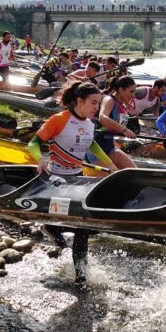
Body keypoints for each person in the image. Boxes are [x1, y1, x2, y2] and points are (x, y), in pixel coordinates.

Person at [27, 82, 115, 283]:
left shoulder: (90, 124)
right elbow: (33, 143)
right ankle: (51, 228)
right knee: (76, 224)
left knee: (82, 228)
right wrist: (40, 159)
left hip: (77, 179)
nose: (96, 108)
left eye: (99, 103)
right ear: (79, 101)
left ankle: (81, 276)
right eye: (93, 103)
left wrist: (110, 165)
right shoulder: (59, 119)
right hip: (55, 180)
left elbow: (91, 144)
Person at [95, 75, 138, 169]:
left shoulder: (122, 105)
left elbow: (114, 128)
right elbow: (102, 118)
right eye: (131, 91)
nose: (134, 95)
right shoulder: (109, 100)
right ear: (121, 90)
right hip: (94, 147)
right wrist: (124, 130)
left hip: (109, 145)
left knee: (134, 171)